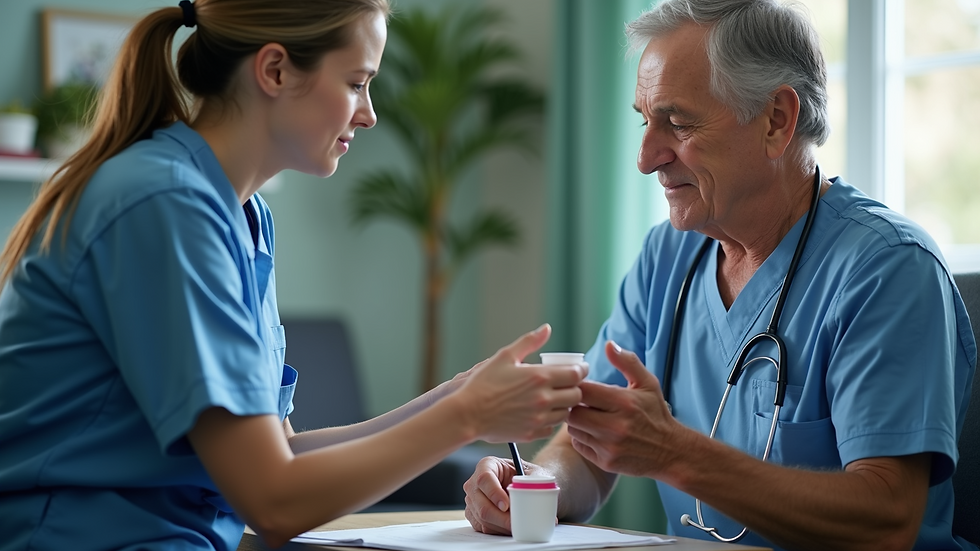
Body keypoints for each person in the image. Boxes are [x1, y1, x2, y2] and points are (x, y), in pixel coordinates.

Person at [0, 1, 588, 550]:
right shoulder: (162, 205)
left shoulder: (243, 216)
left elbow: (278, 456)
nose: (370, 112)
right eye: (357, 82)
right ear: (275, 70)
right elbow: (272, 502)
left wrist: (457, 396)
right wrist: (465, 417)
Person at [463, 1, 977, 550]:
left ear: (777, 120)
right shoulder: (669, 256)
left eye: (678, 122)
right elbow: (588, 448)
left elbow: (887, 519)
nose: (645, 157)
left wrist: (676, 453)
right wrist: (531, 488)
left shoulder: (887, 269)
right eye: (645, 121)